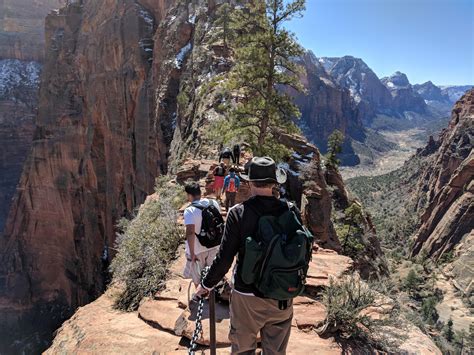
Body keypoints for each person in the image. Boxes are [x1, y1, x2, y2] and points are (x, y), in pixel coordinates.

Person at [195, 157, 309, 355]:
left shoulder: (238, 213)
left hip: (247, 296)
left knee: (242, 349)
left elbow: (224, 258)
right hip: (282, 294)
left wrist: (206, 285)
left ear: (249, 182)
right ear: (275, 182)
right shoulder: (291, 211)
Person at [183, 181, 222, 287]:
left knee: (198, 278)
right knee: (212, 275)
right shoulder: (213, 203)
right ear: (200, 192)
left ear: (189, 195)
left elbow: (190, 232)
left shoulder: (189, 210)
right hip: (214, 245)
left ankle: (201, 298)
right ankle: (212, 298)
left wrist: (192, 253)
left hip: (197, 250)